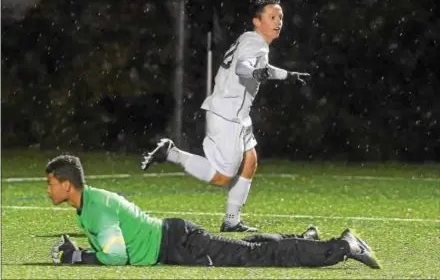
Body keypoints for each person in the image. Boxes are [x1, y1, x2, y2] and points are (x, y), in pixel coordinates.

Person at [141, 0, 312, 232]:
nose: (278, 21)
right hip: (227, 116)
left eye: (280, 17)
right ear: (257, 20)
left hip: (237, 115)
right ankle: (172, 153)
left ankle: (231, 220)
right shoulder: (256, 44)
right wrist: (253, 73)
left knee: (250, 161)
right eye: (272, 16)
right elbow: (245, 68)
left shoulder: (250, 39)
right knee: (222, 177)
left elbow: (257, 67)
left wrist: (287, 75)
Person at [47, 155, 380, 269]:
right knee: (251, 249)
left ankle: (342, 246)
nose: (48, 190)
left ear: (66, 185)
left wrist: (77, 258)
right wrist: (80, 252)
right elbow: (114, 247)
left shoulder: (95, 209)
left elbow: (116, 258)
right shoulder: (90, 202)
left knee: (256, 257)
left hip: (180, 245)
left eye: (51, 183)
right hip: (177, 240)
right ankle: (301, 239)